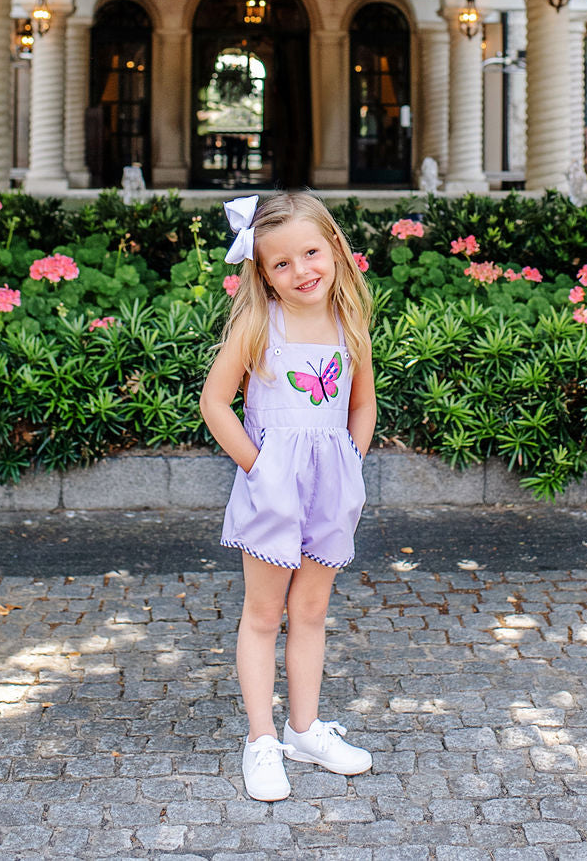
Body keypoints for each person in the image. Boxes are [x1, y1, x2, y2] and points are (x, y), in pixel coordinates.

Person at [199, 190, 377, 802]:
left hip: (332, 490)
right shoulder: (258, 324)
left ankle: (304, 731)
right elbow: (214, 404)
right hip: (271, 492)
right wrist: (259, 467)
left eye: (310, 252)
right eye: (281, 263)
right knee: (262, 616)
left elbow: (361, 402)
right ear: (263, 274)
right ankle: (261, 741)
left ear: (335, 249)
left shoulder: (350, 325)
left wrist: (351, 461)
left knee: (310, 614)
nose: (301, 270)